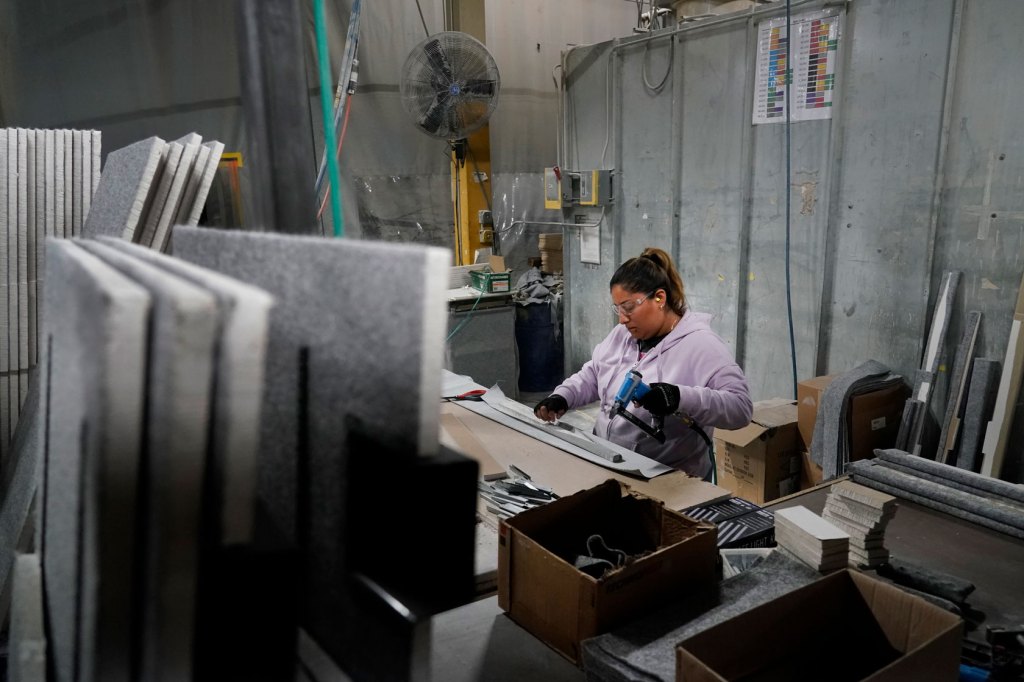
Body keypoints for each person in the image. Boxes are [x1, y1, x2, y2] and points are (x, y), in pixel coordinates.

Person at [534, 247, 752, 480]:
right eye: (618, 308)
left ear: (659, 298)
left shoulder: (701, 346)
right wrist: (564, 396)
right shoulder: (622, 335)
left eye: (628, 307)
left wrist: (679, 397)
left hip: (669, 481)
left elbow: (740, 408)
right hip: (611, 465)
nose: (622, 318)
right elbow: (594, 373)